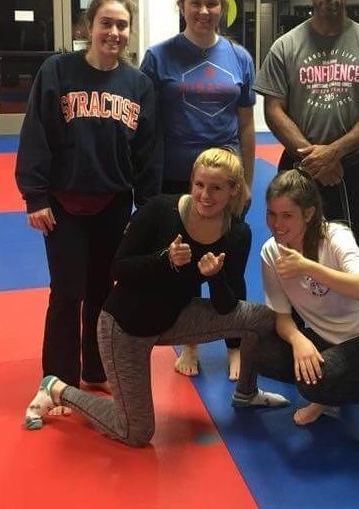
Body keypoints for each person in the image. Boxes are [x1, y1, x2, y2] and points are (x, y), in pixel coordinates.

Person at [24, 148, 288, 445]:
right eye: (200, 185)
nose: (205, 195)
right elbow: (118, 270)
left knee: (260, 318)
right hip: (126, 327)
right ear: (191, 182)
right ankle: (57, 388)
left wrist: (214, 277)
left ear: (233, 191)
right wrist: (166, 260)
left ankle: (247, 392)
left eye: (216, 188)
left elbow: (227, 306)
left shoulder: (237, 233)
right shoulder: (161, 211)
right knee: (136, 432)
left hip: (175, 318)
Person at [15, 0, 157, 415]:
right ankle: (56, 381)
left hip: (113, 203)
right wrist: (35, 196)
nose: (114, 32)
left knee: (102, 291)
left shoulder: (138, 85)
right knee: (66, 293)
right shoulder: (57, 71)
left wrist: (145, 212)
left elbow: (148, 154)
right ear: (88, 27)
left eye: (121, 25)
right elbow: (36, 132)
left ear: (129, 32)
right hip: (62, 204)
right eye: (106, 23)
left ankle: (96, 368)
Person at [255, 0, 359, 287]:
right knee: (293, 247)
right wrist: (314, 156)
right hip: (298, 167)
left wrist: (335, 152)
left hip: (349, 169)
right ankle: (296, 324)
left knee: (358, 251)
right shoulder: (286, 46)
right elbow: (273, 109)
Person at [141, 0, 256, 379]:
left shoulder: (239, 57)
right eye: (197, 3)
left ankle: (234, 346)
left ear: (222, 8)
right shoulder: (159, 57)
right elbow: (147, 125)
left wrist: (247, 183)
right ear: (182, 7)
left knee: (230, 266)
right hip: (176, 178)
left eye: (213, 3)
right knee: (184, 267)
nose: (205, 11)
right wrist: (148, 187)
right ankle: (188, 343)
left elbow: (245, 125)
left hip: (225, 179)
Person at [254, 169, 359, 436]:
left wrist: (307, 267)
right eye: (271, 214)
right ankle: (329, 392)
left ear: (309, 214)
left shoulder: (335, 235)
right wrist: (298, 340)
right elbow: (281, 317)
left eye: (287, 215)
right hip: (328, 338)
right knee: (260, 353)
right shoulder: (271, 252)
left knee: (311, 383)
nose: (277, 224)